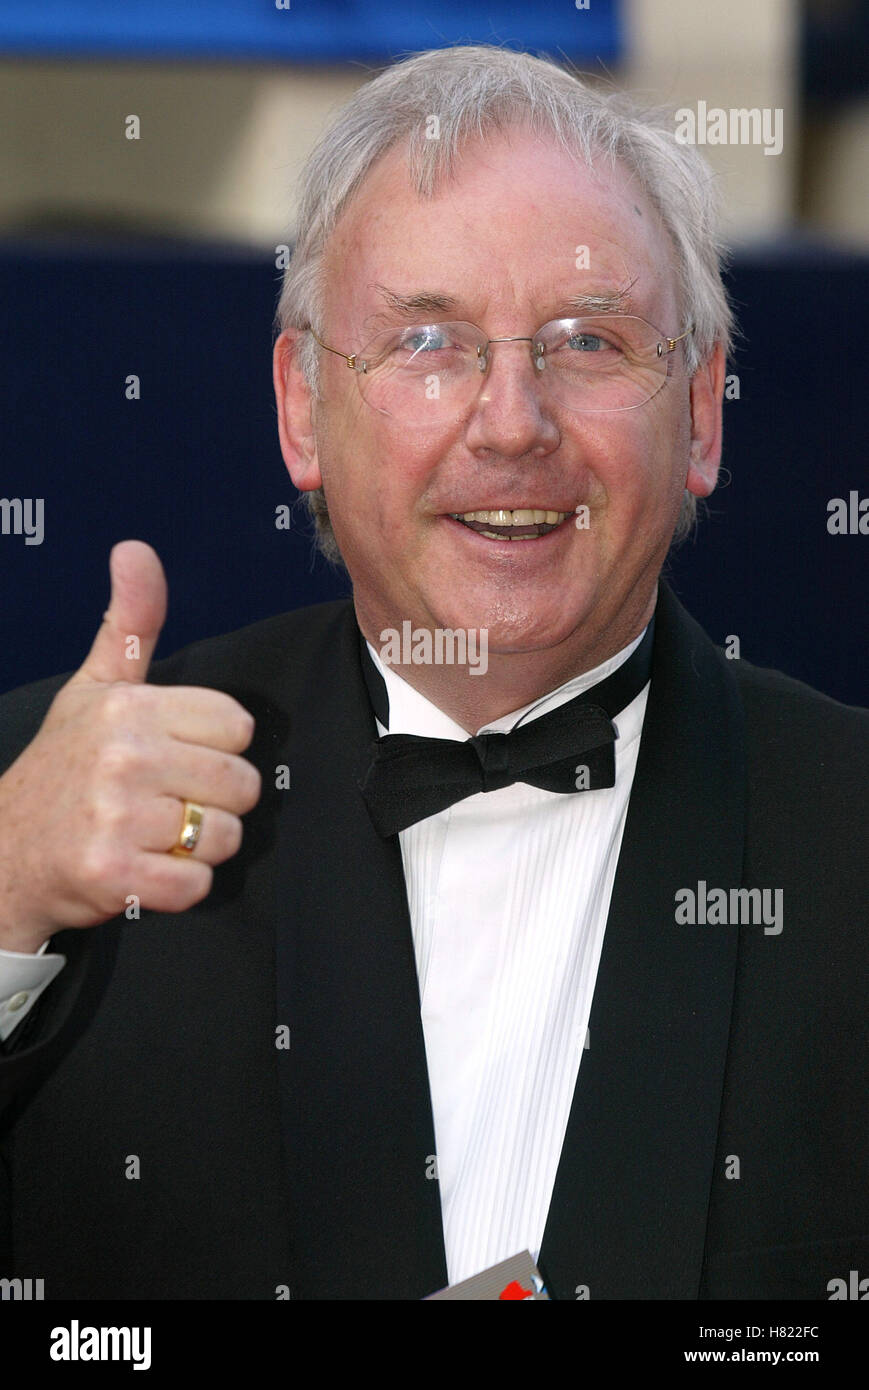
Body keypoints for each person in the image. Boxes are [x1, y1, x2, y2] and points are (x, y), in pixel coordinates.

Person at [0, 45, 866, 1302]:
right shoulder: (43, 817)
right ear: (302, 408)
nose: (510, 421)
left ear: (702, 410)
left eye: (586, 341)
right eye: (426, 339)